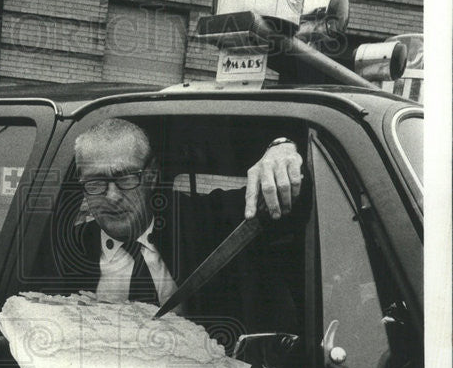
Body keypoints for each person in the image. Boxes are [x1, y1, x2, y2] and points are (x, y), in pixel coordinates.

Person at [50, 118, 304, 336]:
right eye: (95, 183)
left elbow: (291, 202)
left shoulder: (203, 220)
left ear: (151, 176)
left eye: (126, 178)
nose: (112, 196)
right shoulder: (63, 252)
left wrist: (281, 149)